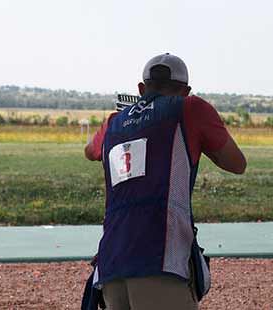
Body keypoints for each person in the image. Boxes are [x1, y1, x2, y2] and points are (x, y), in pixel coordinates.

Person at [84, 53, 246, 309]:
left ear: (141, 88)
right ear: (186, 91)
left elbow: (90, 151)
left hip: (111, 262)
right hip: (160, 259)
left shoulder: (114, 122)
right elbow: (237, 163)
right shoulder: (190, 108)